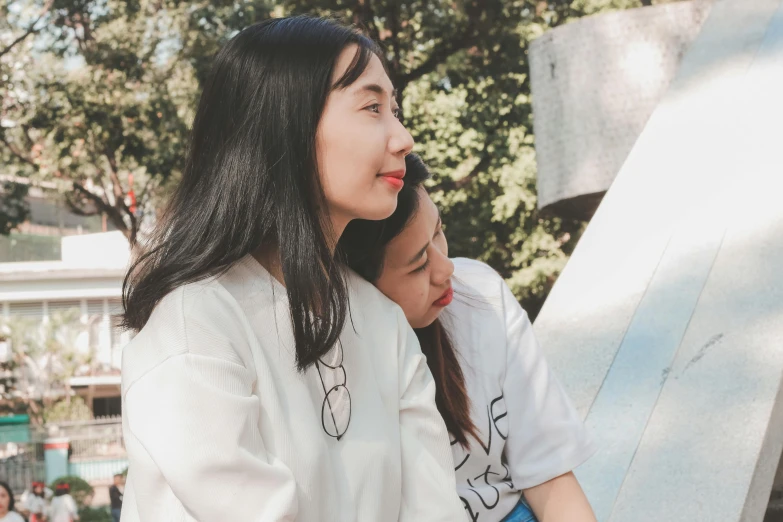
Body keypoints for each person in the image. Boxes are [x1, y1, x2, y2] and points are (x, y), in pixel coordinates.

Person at [120, 15, 465, 522]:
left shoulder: (381, 320)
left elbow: (434, 508)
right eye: (372, 107)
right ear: (285, 124)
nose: (403, 138)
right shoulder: (196, 324)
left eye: (394, 109)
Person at [340, 154, 598, 522]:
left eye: (438, 232)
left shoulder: (479, 296)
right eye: (417, 265)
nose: (446, 269)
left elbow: (549, 473)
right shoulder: (339, 374)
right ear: (360, 288)